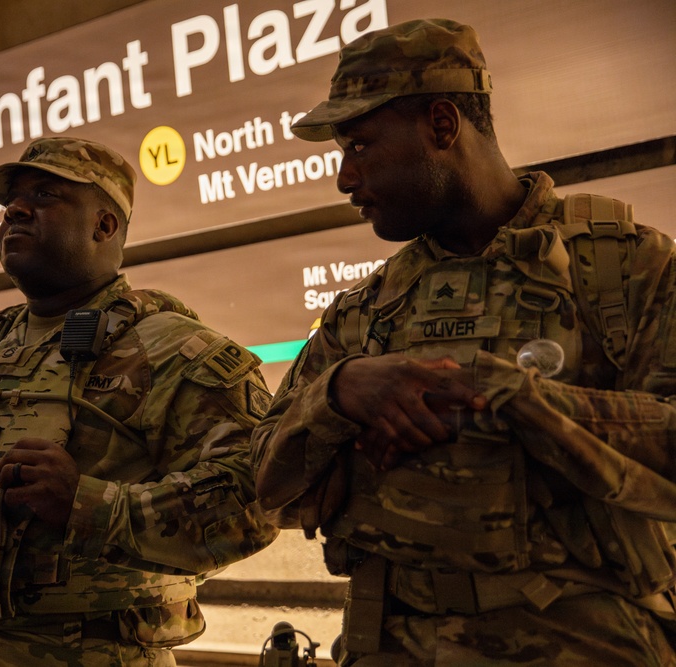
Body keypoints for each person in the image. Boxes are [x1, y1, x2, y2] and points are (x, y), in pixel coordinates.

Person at [251, 18, 676, 667]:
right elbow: (260, 480)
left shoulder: (623, 269)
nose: (344, 178)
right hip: (391, 642)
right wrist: (340, 393)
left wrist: (508, 398)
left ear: (443, 126)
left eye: (361, 146)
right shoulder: (367, 310)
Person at [0, 137, 279, 666]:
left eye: (45, 195)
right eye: (11, 202)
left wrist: (86, 505)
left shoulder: (176, 353)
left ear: (103, 225)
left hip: (81, 650)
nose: (15, 210)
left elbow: (258, 502)